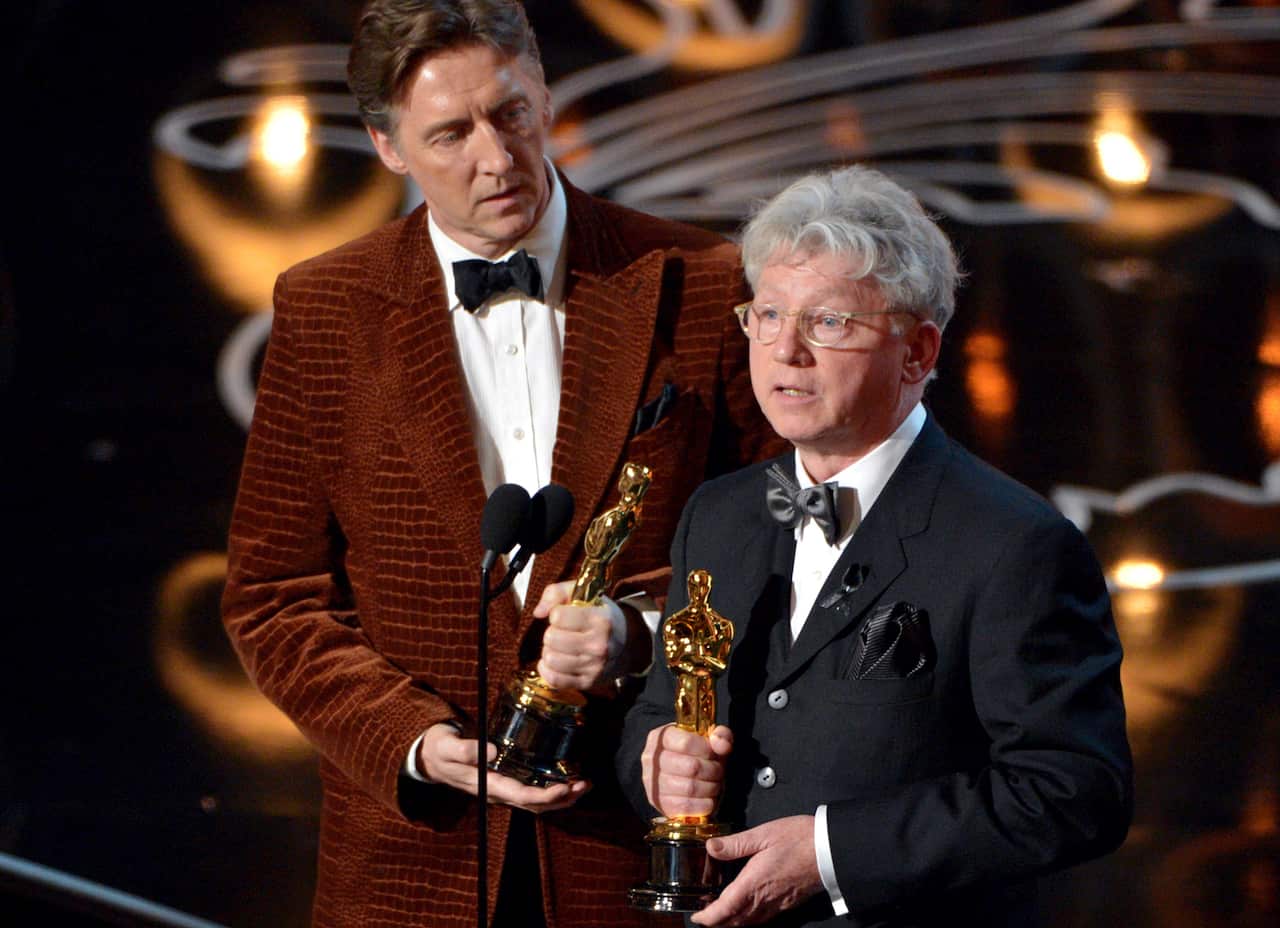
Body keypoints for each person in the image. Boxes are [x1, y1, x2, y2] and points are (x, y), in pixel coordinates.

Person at [220, 2, 779, 926]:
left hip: (638, 851)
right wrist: (415, 741)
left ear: (546, 94)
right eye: (449, 133)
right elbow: (273, 596)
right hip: (408, 864)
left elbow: (784, 549)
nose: (495, 156)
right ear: (387, 146)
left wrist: (637, 637)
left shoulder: (702, 277)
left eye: (511, 114)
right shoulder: (325, 308)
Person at [618, 165, 1134, 927]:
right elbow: (657, 712)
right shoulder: (719, 513)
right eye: (767, 315)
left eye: (828, 323)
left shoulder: (1014, 543)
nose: (785, 351)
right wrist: (657, 764)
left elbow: (1070, 791)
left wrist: (830, 854)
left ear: (918, 353)